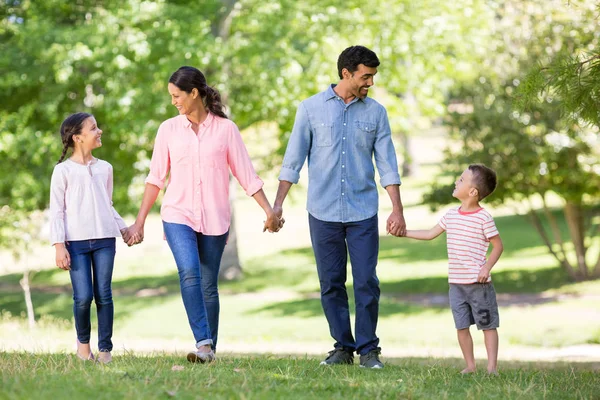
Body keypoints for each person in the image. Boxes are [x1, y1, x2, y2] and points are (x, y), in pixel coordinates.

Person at [126, 66, 281, 364]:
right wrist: (140, 221)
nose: (174, 102)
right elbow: (156, 178)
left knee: (209, 285)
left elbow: (247, 175)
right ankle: (204, 343)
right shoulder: (168, 130)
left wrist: (269, 211)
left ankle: (208, 352)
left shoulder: (226, 129)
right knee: (189, 272)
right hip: (177, 214)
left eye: (177, 95)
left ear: (194, 93)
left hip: (214, 218)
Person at [273, 46, 406, 369]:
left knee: (366, 282)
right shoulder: (310, 109)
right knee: (331, 282)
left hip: (362, 211)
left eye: (372, 76)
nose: (370, 83)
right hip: (323, 212)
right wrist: (277, 205)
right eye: (366, 76)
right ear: (346, 73)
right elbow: (293, 160)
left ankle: (369, 349)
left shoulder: (376, 113)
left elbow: (387, 164)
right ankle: (342, 348)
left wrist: (397, 209)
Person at [400, 164, 503, 375]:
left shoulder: (484, 218)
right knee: (461, 326)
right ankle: (471, 366)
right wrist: (404, 232)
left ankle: (492, 368)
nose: (456, 182)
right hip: (456, 284)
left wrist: (487, 267)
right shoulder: (450, 215)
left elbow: (498, 245)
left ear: (473, 192)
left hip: (478, 284)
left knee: (487, 325)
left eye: (462, 180)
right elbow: (430, 234)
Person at [49, 112, 128, 364]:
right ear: (77, 138)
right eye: (93, 128)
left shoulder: (105, 168)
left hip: (105, 240)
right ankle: (83, 348)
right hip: (77, 244)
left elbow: (107, 204)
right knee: (83, 297)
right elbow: (57, 211)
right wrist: (59, 246)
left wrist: (124, 228)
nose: (99, 131)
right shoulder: (62, 171)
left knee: (104, 294)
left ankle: (105, 351)